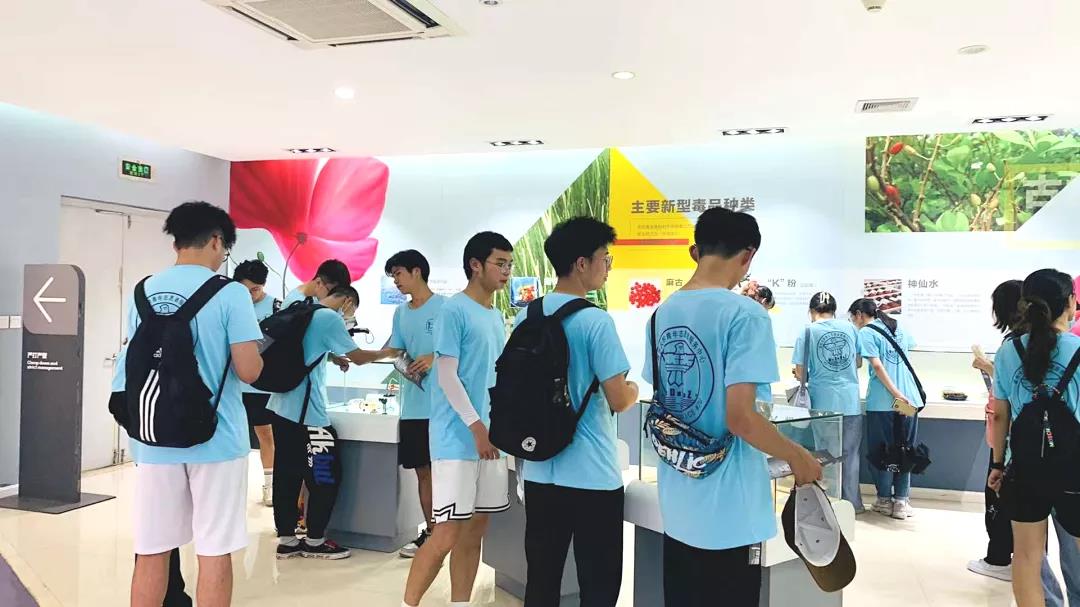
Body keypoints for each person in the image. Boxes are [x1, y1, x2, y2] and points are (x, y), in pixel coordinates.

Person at [642, 208, 823, 607]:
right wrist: (797, 456)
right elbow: (740, 417)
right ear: (747, 255)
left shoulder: (661, 314)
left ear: (696, 251)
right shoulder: (746, 315)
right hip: (731, 509)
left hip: (679, 499)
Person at [118, 202, 264, 607]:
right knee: (214, 549)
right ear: (217, 240)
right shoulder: (231, 293)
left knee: (152, 550)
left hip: (153, 440)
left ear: (177, 241)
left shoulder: (142, 290)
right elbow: (249, 371)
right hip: (217, 440)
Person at [516, 218, 639, 607]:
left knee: (542, 579)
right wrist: (635, 389)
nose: (608, 267)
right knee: (598, 584)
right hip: (592, 474)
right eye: (605, 258)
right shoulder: (595, 321)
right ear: (582, 263)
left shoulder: (527, 316)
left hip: (539, 468)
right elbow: (619, 399)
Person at [402, 232, 514, 607]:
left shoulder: (495, 315)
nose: (506, 271)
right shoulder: (454, 311)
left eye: (510, 264)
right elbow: (447, 376)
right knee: (446, 532)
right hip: (456, 439)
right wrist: (476, 426)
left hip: (491, 439)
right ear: (475, 265)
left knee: (475, 529)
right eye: (500, 263)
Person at [269, 285, 390, 561]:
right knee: (325, 475)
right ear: (347, 301)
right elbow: (359, 357)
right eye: (352, 310)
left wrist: (331, 356)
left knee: (286, 475)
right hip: (308, 414)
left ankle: (287, 540)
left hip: (280, 407)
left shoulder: (303, 310)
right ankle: (315, 541)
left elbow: (304, 350)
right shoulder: (329, 317)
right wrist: (391, 352)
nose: (350, 316)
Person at [989, 269, 1080, 607]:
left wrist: (998, 464)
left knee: (1027, 556)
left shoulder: (1008, 351)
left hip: (1025, 466)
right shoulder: (1078, 348)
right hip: (1074, 467)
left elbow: (1000, 414)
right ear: (1070, 302)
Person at [381, 249, 447, 558]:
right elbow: (395, 350)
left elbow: (463, 349)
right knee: (423, 473)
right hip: (413, 408)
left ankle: (450, 532)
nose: (395, 280)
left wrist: (434, 356)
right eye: (393, 275)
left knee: (448, 472)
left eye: (398, 273)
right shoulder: (401, 313)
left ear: (417, 271)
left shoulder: (446, 308)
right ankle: (432, 532)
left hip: (445, 408)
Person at [968, 280, 1023, 581]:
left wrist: (999, 461)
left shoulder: (1012, 346)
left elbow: (1004, 404)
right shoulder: (1052, 342)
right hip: (1039, 441)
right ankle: (1028, 563)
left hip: (1011, 439)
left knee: (999, 497)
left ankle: (999, 558)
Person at [849, 298, 923, 520]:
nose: (853, 322)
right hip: (909, 400)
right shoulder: (898, 326)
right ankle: (901, 501)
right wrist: (902, 394)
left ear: (860, 314)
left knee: (882, 451)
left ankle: (883, 500)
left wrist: (895, 393)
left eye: (853, 318)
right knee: (905, 449)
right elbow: (909, 350)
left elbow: (877, 365)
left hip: (883, 402)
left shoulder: (866, 332)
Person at [793, 292, 864, 512]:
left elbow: (800, 372)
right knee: (851, 456)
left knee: (826, 455)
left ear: (811, 311)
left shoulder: (807, 332)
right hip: (850, 401)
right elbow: (858, 362)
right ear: (834, 310)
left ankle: (830, 503)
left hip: (823, 402)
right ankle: (852, 505)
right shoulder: (850, 328)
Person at [234, 259, 280, 506]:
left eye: (256, 290)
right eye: (245, 290)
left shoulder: (275, 306)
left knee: (266, 435)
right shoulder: (231, 304)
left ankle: (270, 485)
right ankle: (233, 486)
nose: (251, 295)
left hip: (262, 385)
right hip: (233, 384)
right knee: (234, 436)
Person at [282, 259, 351, 306]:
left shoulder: (311, 298)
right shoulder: (297, 304)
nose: (332, 298)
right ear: (318, 283)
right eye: (331, 293)